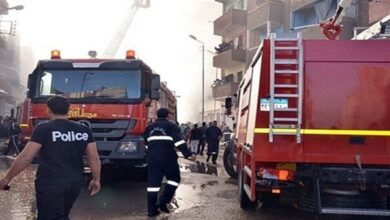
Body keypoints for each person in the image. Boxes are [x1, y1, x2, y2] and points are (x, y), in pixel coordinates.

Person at [0, 96, 101, 220]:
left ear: (48, 110)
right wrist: (96, 179)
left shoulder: (43, 128)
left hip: (50, 182)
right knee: (63, 214)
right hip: (75, 181)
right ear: (68, 110)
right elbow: (94, 158)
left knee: (50, 216)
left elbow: (26, 157)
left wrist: (7, 178)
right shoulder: (84, 130)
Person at [143, 108, 196, 217]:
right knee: (174, 180)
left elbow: (146, 143)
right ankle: (163, 201)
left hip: (153, 159)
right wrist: (188, 154)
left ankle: (152, 210)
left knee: (153, 185)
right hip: (168, 158)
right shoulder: (172, 126)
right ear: (167, 116)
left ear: (157, 116)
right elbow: (179, 142)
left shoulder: (149, 128)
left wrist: (153, 151)